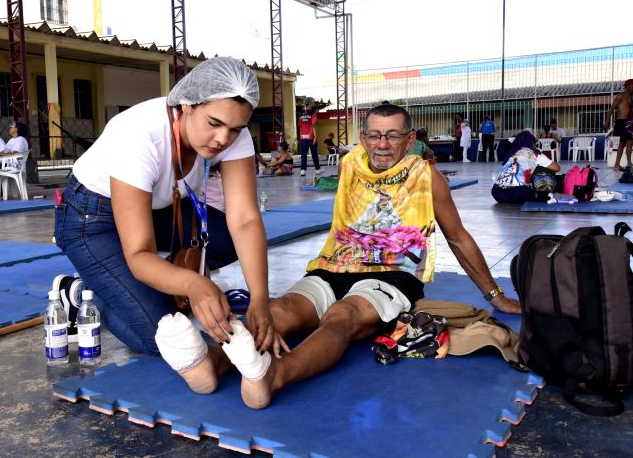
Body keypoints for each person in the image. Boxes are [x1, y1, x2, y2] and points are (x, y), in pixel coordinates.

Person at [156, 101, 521, 409]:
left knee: (340, 315)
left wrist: (495, 296)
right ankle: (212, 365)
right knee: (281, 311)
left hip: (394, 273)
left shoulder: (426, 177)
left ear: (410, 139)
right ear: (362, 138)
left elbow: (457, 237)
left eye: (393, 135)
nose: (382, 144)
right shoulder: (348, 165)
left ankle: (272, 377)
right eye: (375, 135)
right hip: (336, 264)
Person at [53, 57, 277, 371]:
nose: (223, 139)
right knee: (159, 338)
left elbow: (245, 219)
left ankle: (132, 279)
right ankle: (85, 289)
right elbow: (139, 252)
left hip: (161, 211)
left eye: (235, 129)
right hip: (92, 219)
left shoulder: (232, 135)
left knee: (226, 239)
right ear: (186, 105)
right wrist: (194, 285)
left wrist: (260, 300)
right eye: (214, 123)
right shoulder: (140, 134)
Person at [491, 131, 560, 204]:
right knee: (543, 170)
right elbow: (557, 168)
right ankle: (543, 194)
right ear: (532, 143)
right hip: (517, 193)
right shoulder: (535, 154)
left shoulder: (511, 154)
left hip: (496, 193)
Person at [604, 78, 633, 170]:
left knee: (625, 143)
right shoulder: (621, 96)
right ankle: (628, 164)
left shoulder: (632, 97)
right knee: (626, 143)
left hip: (630, 122)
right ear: (628, 87)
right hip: (622, 122)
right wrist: (606, 122)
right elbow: (611, 109)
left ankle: (619, 164)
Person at [298, 97, 322, 177]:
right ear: (310, 103)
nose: (314, 103)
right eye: (313, 102)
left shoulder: (301, 113)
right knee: (314, 154)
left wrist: (300, 136)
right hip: (311, 137)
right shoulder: (313, 113)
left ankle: (303, 170)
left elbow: (300, 125)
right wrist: (315, 137)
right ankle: (317, 169)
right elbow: (314, 125)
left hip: (303, 138)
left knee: (303, 154)